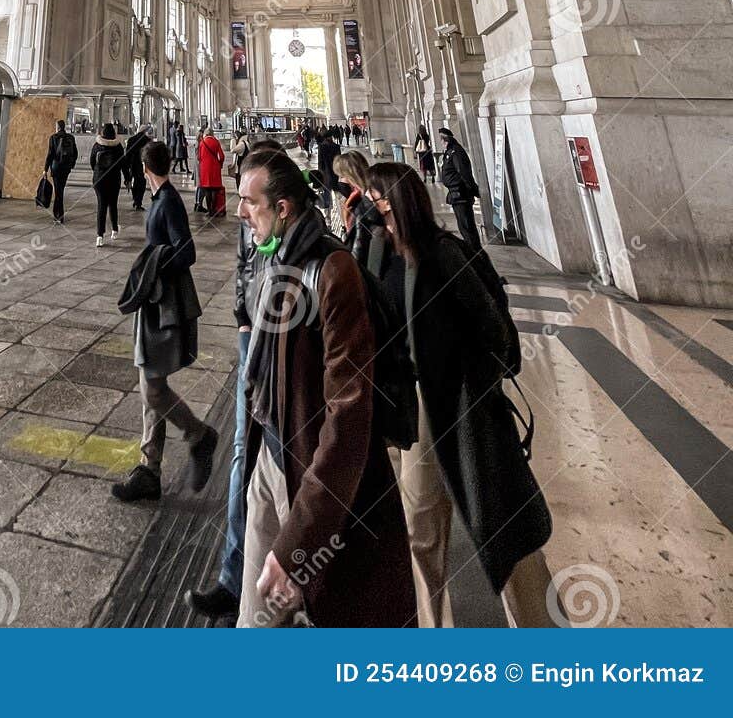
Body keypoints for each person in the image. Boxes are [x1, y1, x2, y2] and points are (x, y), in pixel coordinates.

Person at [366, 161, 555, 628]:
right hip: (416, 411)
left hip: (461, 408)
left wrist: (469, 382)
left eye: (371, 195)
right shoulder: (380, 254)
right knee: (420, 532)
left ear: (390, 201)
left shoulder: (445, 254)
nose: (364, 202)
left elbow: (495, 331)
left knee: (500, 526)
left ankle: (542, 631)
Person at [234, 148, 415, 627]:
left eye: (249, 202)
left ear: (283, 208)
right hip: (271, 463)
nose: (239, 212)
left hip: (310, 472)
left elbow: (349, 414)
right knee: (253, 619)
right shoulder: (270, 261)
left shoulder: (334, 272)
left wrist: (300, 543)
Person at [188, 135, 283, 621]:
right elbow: (245, 265)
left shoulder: (305, 247)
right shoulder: (253, 221)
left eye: (249, 200)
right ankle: (233, 575)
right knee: (245, 453)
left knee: (280, 465)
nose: (242, 211)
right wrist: (241, 315)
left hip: (282, 354)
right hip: (253, 336)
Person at [111, 140, 218, 503]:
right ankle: (149, 469)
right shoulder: (161, 199)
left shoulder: (169, 201)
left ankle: (199, 434)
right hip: (155, 302)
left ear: (144, 169)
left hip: (163, 303)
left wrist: (154, 268)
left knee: (153, 388)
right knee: (148, 382)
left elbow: (186, 249)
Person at [439, 127, 483, 251]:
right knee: (463, 226)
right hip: (455, 194)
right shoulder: (450, 151)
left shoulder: (456, 152)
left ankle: (475, 252)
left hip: (461, 194)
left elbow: (464, 173)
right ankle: (473, 250)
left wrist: (473, 190)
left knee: (467, 226)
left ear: (445, 140)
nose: (440, 143)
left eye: (441, 140)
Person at [90, 122, 125, 247]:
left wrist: (98, 172)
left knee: (101, 206)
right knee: (113, 204)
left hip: (99, 179)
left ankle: (100, 236)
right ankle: (114, 230)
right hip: (114, 179)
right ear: (113, 133)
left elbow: (92, 162)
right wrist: (127, 178)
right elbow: (123, 164)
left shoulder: (97, 145)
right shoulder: (118, 146)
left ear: (102, 133)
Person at [196, 124, 226, 216]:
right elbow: (221, 156)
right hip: (215, 168)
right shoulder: (216, 142)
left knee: (207, 189)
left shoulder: (202, 142)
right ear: (212, 134)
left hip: (204, 168)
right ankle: (214, 209)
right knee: (214, 189)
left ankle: (210, 211)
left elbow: (199, 157)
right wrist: (220, 165)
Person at [124, 123, 151, 211]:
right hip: (142, 165)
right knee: (141, 183)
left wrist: (127, 166)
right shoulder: (147, 140)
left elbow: (127, 154)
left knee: (134, 182)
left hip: (133, 164)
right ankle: (138, 202)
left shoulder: (131, 139)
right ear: (144, 131)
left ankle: (135, 199)